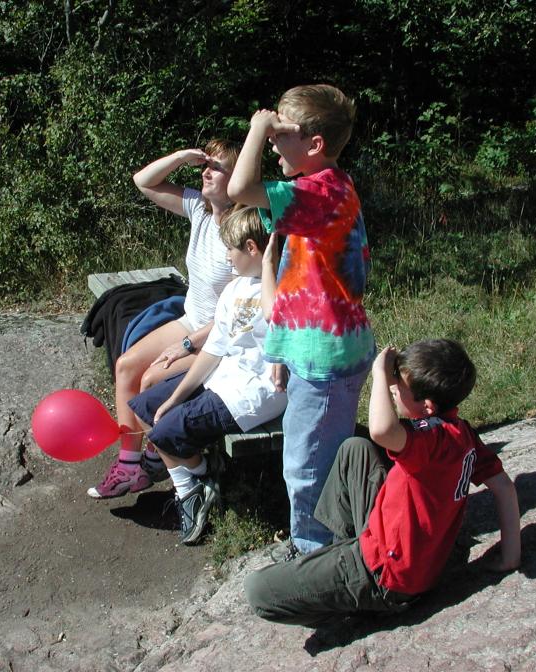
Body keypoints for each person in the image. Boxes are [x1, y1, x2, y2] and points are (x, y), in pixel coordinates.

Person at [244, 339, 522, 627]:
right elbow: (503, 486)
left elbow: (381, 430)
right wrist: (509, 557)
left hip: (388, 575)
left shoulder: (430, 442)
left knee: (259, 591)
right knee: (355, 450)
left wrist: (379, 373)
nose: (392, 387)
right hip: (421, 559)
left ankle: (357, 600)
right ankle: (342, 555)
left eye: (398, 385)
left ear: (426, 406)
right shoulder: (460, 433)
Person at [227, 84, 375, 557]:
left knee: (307, 465)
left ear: (314, 144)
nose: (271, 141)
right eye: (269, 133)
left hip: (324, 360)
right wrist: (279, 350)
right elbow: (295, 282)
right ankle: (328, 538)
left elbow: (239, 190)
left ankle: (315, 554)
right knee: (316, 453)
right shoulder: (325, 187)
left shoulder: (320, 192)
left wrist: (256, 126)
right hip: (315, 350)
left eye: (280, 133)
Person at [88, 139, 240, 499]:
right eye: (206, 164)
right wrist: (182, 157)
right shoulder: (200, 210)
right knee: (126, 366)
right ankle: (130, 466)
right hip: (190, 319)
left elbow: (237, 315)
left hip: (218, 338)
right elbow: (144, 181)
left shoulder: (241, 230)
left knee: (152, 378)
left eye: (217, 166)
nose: (206, 171)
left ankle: (159, 458)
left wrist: (185, 344)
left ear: (238, 177)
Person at [127, 207, 287, 544]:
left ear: (252, 249)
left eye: (231, 249)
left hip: (253, 394)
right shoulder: (235, 290)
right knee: (146, 406)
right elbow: (213, 350)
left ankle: (193, 489)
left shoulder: (282, 291)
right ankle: (200, 478)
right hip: (223, 377)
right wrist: (176, 395)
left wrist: (178, 403)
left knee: (164, 431)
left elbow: (282, 335)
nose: (227, 256)